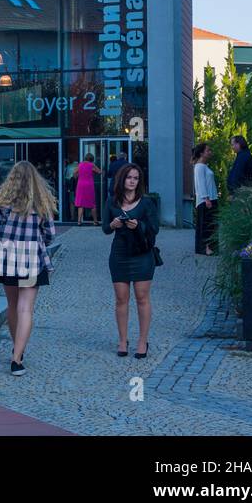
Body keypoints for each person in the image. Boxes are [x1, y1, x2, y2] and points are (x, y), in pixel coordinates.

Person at [0, 161, 55, 376]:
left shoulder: (3, 204)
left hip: (8, 258)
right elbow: (50, 235)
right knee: (26, 308)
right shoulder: (41, 204)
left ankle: (17, 347)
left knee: (12, 305)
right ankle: (17, 357)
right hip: (32, 260)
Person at [104, 162, 160, 358]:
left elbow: (155, 228)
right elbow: (105, 229)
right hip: (119, 255)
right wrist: (113, 224)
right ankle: (122, 340)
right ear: (122, 179)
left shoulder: (147, 203)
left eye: (136, 178)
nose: (132, 181)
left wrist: (139, 226)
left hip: (142, 255)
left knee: (142, 298)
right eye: (129, 177)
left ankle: (142, 341)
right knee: (121, 299)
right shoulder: (112, 201)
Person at [192, 143, 219, 256]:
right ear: (202, 153)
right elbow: (201, 184)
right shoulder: (199, 167)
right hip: (205, 201)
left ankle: (211, 247)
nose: (210, 152)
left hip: (211, 198)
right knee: (206, 224)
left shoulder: (205, 166)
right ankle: (206, 248)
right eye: (208, 150)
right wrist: (206, 199)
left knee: (211, 224)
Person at [74, 153, 99, 225]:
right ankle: (95, 221)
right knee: (92, 203)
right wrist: (94, 170)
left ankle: (79, 221)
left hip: (80, 185)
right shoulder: (91, 165)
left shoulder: (80, 164)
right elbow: (99, 171)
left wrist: (77, 176)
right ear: (92, 159)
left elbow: (74, 173)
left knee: (80, 204)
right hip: (89, 185)